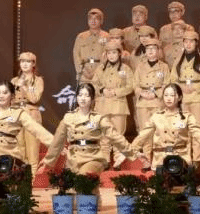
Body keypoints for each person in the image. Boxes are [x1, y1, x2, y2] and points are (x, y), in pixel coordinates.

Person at [38, 83, 143, 174]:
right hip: (73, 160)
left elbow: (115, 137)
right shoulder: (68, 118)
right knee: (75, 187)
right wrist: (47, 162)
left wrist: (134, 153)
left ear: (92, 99)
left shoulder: (98, 119)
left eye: (86, 95)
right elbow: (57, 142)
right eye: (80, 95)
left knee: (84, 178)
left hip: (93, 158)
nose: (83, 98)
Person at [132, 83, 200, 170]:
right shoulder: (156, 117)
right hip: (160, 161)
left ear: (179, 97)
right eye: (166, 95)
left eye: (172, 95)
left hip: (181, 159)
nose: (168, 98)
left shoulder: (187, 117)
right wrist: (129, 151)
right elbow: (142, 136)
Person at [169, 30, 200, 166]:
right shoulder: (178, 60)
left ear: (196, 43)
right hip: (183, 98)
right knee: (182, 128)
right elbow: (173, 78)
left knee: (198, 128)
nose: (188, 44)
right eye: (185, 42)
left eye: (191, 42)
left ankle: (197, 159)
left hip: (198, 97)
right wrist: (181, 87)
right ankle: (185, 158)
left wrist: (194, 87)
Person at [92, 41, 134, 169]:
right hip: (102, 105)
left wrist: (116, 92)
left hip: (118, 106)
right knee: (104, 134)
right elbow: (94, 84)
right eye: (109, 53)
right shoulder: (100, 68)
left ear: (119, 53)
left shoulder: (126, 69)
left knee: (118, 134)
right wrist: (102, 90)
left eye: (114, 52)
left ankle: (117, 159)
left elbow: (131, 86)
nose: (111, 55)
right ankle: (105, 159)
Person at [133, 38, 171, 161]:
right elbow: (135, 84)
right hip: (143, 102)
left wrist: (156, 93)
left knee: (159, 130)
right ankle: (147, 158)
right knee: (145, 131)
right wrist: (142, 93)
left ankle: (159, 159)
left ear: (158, 51)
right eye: (148, 49)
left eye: (153, 49)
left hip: (157, 101)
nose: (150, 51)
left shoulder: (164, 67)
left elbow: (167, 83)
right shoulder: (140, 66)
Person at [10, 52, 44, 176]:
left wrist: (24, 87)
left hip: (32, 116)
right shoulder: (14, 81)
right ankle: (21, 180)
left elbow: (35, 99)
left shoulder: (38, 80)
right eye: (22, 61)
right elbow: (10, 99)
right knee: (20, 151)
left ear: (33, 64)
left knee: (32, 152)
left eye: (28, 61)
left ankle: (32, 181)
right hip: (17, 116)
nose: (24, 64)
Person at [73, 8, 109, 84]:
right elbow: (76, 55)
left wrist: (97, 71)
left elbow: (108, 56)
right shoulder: (81, 37)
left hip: (100, 74)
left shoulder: (107, 36)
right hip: (84, 75)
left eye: (96, 19)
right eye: (91, 19)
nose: (93, 21)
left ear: (101, 21)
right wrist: (82, 71)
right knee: (84, 91)